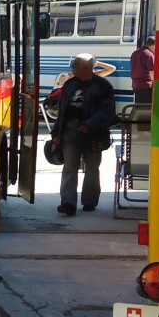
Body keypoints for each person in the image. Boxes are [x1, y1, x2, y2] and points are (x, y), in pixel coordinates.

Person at [51, 53, 118, 215]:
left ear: (87, 68)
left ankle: (89, 201)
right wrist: (57, 131)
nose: (72, 67)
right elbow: (62, 110)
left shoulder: (102, 86)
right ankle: (68, 203)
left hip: (93, 133)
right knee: (69, 167)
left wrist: (89, 125)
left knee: (92, 168)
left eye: (76, 65)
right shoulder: (70, 84)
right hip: (69, 130)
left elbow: (107, 111)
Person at [130, 35, 155, 104]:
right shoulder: (149, 55)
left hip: (136, 85)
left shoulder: (135, 53)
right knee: (146, 109)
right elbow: (152, 73)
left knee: (139, 108)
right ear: (154, 45)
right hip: (146, 86)